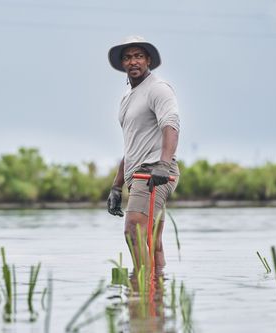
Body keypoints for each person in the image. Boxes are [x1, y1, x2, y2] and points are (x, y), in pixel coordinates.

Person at [106, 36, 180, 270]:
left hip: (153, 173)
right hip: (138, 174)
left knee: (133, 232)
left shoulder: (158, 89)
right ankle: (157, 296)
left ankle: (139, 294)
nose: (133, 61)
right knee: (152, 241)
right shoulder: (128, 96)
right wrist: (116, 186)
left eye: (138, 56)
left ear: (148, 60)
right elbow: (132, 147)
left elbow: (171, 124)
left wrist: (163, 164)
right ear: (122, 64)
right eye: (127, 57)